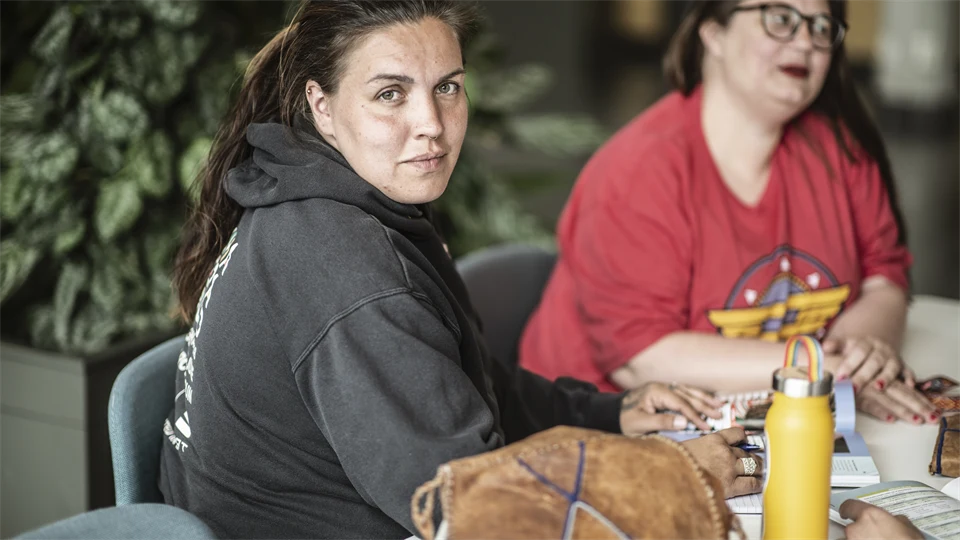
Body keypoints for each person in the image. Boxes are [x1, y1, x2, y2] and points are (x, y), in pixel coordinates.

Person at [160, 1, 763, 539]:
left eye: (447, 87)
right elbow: (471, 507)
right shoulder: (346, 268)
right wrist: (674, 475)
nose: (431, 123)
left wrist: (610, 415)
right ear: (322, 107)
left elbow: (455, 387)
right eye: (390, 94)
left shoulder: (331, 201)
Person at [518, 0, 939, 425]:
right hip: (600, 435)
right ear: (713, 33)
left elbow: (885, 276)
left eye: (821, 27)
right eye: (780, 20)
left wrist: (862, 354)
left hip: (768, 417)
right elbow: (640, 359)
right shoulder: (638, 170)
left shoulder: (841, 151)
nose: (805, 42)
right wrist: (825, 370)